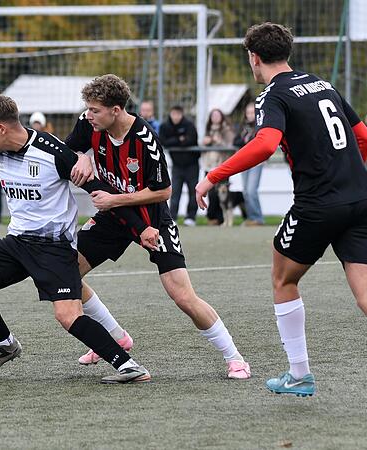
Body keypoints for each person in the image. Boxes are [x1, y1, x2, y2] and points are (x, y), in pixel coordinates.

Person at [195, 22, 367, 416]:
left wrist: (214, 176)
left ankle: (299, 374)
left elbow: (265, 145)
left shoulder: (273, 95)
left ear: (254, 57)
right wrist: (345, 178)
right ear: (288, 51)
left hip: (318, 205)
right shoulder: (322, 84)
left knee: (284, 278)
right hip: (362, 200)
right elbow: (364, 138)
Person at [0, 94, 157, 384]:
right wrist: (81, 155)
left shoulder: (51, 152)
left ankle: (129, 366)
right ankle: (7, 344)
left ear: (1, 128)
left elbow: (99, 190)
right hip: (17, 241)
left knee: (67, 316)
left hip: (54, 247)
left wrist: (140, 228)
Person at [65, 74, 251, 379]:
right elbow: (65, 151)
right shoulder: (89, 125)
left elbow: (164, 191)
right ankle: (114, 337)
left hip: (152, 219)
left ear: (115, 110)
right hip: (114, 217)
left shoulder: (145, 138)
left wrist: (116, 200)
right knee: (68, 272)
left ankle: (235, 358)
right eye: (87, 109)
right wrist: (79, 156)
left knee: (182, 296)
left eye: (95, 109)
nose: (88, 115)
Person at [159, 105, 199, 226]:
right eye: (173, 114)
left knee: (194, 192)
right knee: (175, 192)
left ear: (182, 114)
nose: (175, 117)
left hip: (192, 164)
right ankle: (173, 217)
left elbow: (191, 140)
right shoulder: (165, 126)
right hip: (177, 165)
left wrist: (174, 141)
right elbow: (163, 141)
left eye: (178, 114)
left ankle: (191, 217)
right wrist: (178, 139)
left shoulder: (189, 125)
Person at [202, 108, 236, 225]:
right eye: (213, 115)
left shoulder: (227, 130)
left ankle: (222, 218)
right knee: (210, 193)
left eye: (217, 115)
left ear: (222, 117)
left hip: (222, 166)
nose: (215, 117)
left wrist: (219, 141)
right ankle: (213, 218)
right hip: (208, 166)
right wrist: (205, 142)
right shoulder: (208, 130)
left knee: (222, 194)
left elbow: (230, 146)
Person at [234, 102, 265, 226]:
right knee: (246, 191)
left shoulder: (261, 126)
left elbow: (260, 143)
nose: (250, 115)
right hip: (245, 162)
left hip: (257, 162)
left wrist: (248, 141)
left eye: (253, 112)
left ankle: (258, 218)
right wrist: (243, 139)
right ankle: (251, 218)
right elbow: (236, 141)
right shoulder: (243, 127)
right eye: (248, 113)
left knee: (252, 190)